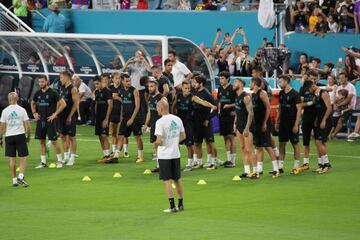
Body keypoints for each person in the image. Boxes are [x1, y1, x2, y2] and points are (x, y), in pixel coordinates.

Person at [172, 80, 217, 172]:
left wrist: (212, 105)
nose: (187, 90)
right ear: (182, 88)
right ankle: (176, 163)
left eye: (189, 88)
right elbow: (173, 106)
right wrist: (173, 116)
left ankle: (189, 164)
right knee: (176, 144)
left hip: (188, 123)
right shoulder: (178, 96)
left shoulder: (193, 97)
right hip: (179, 124)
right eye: (185, 88)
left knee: (189, 144)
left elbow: (202, 102)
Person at [154, 99, 186, 213]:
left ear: (161, 109)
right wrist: (173, 142)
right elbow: (183, 136)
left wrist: (155, 145)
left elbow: (158, 140)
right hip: (175, 153)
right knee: (177, 179)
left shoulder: (160, 122)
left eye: (157, 108)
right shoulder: (177, 119)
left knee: (167, 180)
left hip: (164, 155)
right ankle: (181, 204)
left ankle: (172, 206)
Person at [31, 75, 66, 169]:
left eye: (42, 81)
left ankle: (59, 161)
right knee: (41, 142)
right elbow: (33, 103)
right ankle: (43, 162)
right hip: (40, 120)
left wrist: (55, 114)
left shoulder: (53, 92)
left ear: (47, 81)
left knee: (54, 141)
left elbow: (63, 104)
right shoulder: (37, 93)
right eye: (39, 82)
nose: (41, 83)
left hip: (50, 120)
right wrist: (34, 113)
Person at [250, 77, 279, 178]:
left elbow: (268, 108)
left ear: (254, 83)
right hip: (256, 124)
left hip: (263, 123)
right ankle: (259, 169)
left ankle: (276, 169)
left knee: (267, 146)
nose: (250, 85)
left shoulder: (262, 93)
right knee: (258, 146)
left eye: (251, 83)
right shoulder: (253, 95)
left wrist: (265, 123)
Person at [0, 92, 31, 187]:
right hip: (20, 135)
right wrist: (28, 136)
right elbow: (28, 126)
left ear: (8, 100)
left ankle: (14, 180)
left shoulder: (4, 111)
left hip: (9, 136)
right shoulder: (22, 110)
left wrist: (0, 138)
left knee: (12, 159)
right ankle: (21, 177)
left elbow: (1, 127)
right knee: (23, 157)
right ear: (17, 99)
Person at [303, 80, 333, 173]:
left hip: (326, 121)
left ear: (312, 86)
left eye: (308, 89)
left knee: (318, 142)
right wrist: (316, 120)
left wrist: (323, 120)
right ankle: (323, 165)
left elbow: (329, 108)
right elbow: (317, 110)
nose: (308, 92)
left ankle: (327, 164)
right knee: (320, 143)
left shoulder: (323, 93)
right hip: (319, 121)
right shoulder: (316, 95)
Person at [114, 74, 144, 163]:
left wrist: (132, 119)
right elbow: (123, 104)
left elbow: (137, 106)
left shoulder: (134, 91)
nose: (128, 83)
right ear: (122, 81)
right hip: (125, 117)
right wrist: (121, 118)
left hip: (135, 117)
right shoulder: (121, 91)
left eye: (129, 81)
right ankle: (116, 156)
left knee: (137, 137)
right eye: (126, 81)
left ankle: (140, 156)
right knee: (121, 136)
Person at [275, 75, 302, 175]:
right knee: (282, 143)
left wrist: (296, 124)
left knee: (295, 144)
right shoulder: (281, 93)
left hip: (292, 122)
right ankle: (280, 166)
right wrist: (277, 120)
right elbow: (280, 107)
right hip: (283, 123)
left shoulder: (295, 94)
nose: (279, 83)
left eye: (281, 81)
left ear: (286, 81)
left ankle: (296, 167)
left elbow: (299, 110)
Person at [192, 75, 219, 170]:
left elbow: (215, 109)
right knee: (197, 143)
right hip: (197, 122)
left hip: (206, 122)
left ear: (201, 84)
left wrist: (208, 119)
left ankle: (213, 161)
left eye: (195, 82)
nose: (193, 84)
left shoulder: (207, 94)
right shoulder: (194, 92)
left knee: (210, 142)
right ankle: (199, 162)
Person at [233, 78, 258, 179]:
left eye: (235, 82)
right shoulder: (236, 96)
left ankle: (256, 172)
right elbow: (237, 111)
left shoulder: (246, 97)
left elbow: (251, 113)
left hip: (246, 126)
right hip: (239, 125)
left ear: (241, 84)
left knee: (249, 149)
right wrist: (235, 124)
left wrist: (247, 127)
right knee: (243, 148)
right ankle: (247, 171)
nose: (234, 84)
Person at [298, 70, 319, 171]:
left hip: (317, 118)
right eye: (312, 79)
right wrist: (311, 103)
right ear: (309, 78)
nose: (313, 81)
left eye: (315, 79)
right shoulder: (303, 89)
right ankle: (306, 163)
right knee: (306, 141)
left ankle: (321, 163)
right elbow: (300, 104)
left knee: (318, 141)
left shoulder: (320, 88)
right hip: (306, 117)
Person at [58, 70, 79, 166]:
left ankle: (72, 158)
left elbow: (76, 104)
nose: (60, 79)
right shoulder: (61, 87)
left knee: (72, 137)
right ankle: (66, 156)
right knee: (62, 136)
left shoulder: (73, 89)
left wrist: (70, 116)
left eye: (61, 77)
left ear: (67, 77)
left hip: (69, 117)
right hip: (61, 116)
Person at [142, 79, 163, 171]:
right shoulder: (150, 98)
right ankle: (159, 166)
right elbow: (149, 111)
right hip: (154, 124)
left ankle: (163, 165)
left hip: (161, 125)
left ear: (156, 87)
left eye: (152, 86)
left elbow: (166, 112)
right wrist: (146, 124)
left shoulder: (162, 98)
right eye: (149, 86)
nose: (150, 88)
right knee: (155, 145)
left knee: (161, 145)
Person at [217, 71, 236, 168]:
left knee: (231, 137)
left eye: (222, 78)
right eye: (220, 78)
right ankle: (228, 159)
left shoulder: (232, 88)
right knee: (225, 137)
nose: (221, 80)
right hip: (222, 116)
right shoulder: (220, 89)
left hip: (230, 116)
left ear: (227, 79)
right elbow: (219, 101)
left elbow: (238, 102)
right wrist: (219, 110)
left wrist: (231, 107)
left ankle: (233, 160)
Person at [92, 75, 113, 164]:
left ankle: (108, 155)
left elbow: (110, 105)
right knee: (100, 136)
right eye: (95, 84)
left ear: (101, 82)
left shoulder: (107, 91)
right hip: (99, 117)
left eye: (97, 84)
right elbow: (96, 103)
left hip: (105, 117)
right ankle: (105, 155)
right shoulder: (97, 92)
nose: (96, 86)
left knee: (104, 136)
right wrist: (95, 116)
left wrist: (106, 119)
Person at [108, 72, 123, 155]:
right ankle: (114, 150)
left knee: (121, 133)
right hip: (112, 113)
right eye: (116, 78)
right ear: (113, 79)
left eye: (119, 78)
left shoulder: (123, 88)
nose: (118, 80)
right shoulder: (109, 88)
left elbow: (126, 101)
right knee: (112, 133)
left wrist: (118, 98)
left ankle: (123, 150)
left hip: (120, 113)